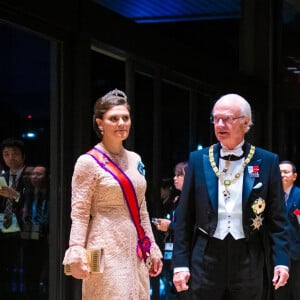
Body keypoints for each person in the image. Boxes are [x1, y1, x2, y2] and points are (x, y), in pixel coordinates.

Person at [172, 93, 290, 300]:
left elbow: (278, 219)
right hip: (206, 256)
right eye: (215, 119)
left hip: (248, 255)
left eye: (227, 119)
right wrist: (180, 263)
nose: (219, 124)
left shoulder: (267, 161)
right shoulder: (198, 159)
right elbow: (184, 218)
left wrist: (281, 261)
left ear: (246, 122)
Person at [62, 88, 163, 300]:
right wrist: (76, 249)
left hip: (136, 246)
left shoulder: (135, 159)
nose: (121, 123)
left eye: (125, 118)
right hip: (104, 245)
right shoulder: (87, 162)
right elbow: (79, 213)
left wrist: (152, 246)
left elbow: (141, 208)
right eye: (113, 118)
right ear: (100, 122)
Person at [154, 162, 188, 300]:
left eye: (179, 174)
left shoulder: (193, 200)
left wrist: (170, 226)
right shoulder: (178, 199)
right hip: (173, 250)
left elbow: (189, 228)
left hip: (187, 256)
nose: (175, 178)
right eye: (175, 174)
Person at [0, 137, 28, 299]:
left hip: (26, 230)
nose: (10, 157)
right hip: (4, 229)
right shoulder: (3, 176)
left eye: (15, 154)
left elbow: (39, 198)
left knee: (25, 269)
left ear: (23, 156)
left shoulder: (32, 173)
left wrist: (16, 195)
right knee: (5, 268)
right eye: (6, 154)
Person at [22, 165, 50, 300]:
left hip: (47, 239)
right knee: (29, 273)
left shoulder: (51, 196)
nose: (34, 177)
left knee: (45, 274)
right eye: (33, 174)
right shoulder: (27, 195)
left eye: (39, 174)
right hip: (28, 238)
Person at [273, 160, 300, 300]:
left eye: (286, 172)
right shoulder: (271, 196)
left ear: (294, 176)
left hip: (297, 255)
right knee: (279, 294)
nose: (282, 175)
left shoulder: (299, 195)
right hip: (277, 254)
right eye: (279, 172)